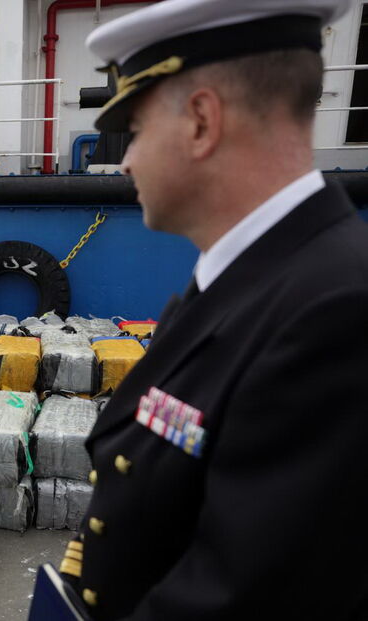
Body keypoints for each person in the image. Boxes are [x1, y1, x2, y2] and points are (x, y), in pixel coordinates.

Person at [54, 0, 368, 619]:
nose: (126, 161)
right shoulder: (254, 278)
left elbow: (250, 595)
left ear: (201, 120)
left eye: (136, 131)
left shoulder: (338, 313)